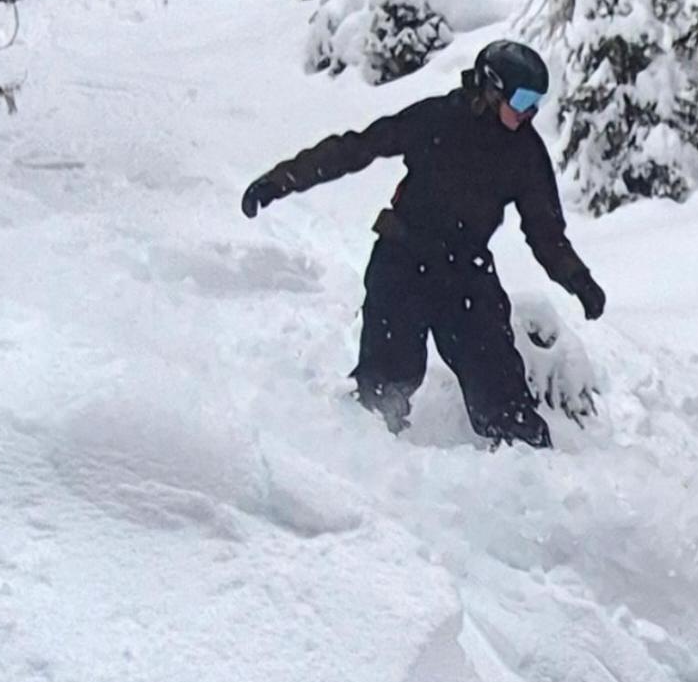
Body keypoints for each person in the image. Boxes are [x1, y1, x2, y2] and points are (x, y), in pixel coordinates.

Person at [241, 40, 606, 447]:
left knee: (502, 396)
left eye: (537, 103)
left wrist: (578, 280)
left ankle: (532, 468)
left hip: (466, 275)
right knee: (385, 386)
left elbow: (545, 231)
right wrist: (280, 181)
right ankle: (362, 459)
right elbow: (356, 149)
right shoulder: (437, 119)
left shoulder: (525, 152)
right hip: (403, 260)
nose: (529, 113)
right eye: (522, 100)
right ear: (491, 89)